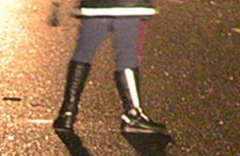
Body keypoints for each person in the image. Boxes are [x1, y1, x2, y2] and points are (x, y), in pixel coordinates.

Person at [51, 0, 167, 135]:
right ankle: (133, 114)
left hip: (94, 6)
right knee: (127, 56)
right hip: (129, 6)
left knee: (83, 53)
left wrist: (56, 4)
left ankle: (67, 113)